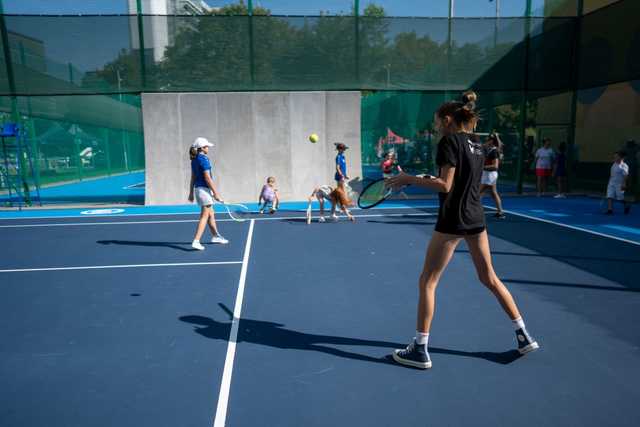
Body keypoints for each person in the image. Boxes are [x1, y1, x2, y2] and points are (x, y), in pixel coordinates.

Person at [386, 91, 539, 369]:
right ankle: (523, 334)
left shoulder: (448, 142)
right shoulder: (478, 145)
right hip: (476, 217)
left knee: (427, 282)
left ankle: (420, 349)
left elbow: (446, 186)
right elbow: (458, 181)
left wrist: (408, 178)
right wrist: (424, 179)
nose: (435, 127)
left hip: (453, 220)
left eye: (436, 122)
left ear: (447, 120)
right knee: (490, 278)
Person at [188, 137, 228, 250]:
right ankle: (196, 241)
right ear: (202, 148)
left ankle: (215, 236)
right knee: (204, 216)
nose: (208, 148)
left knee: (211, 214)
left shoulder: (194, 160)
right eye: (206, 146)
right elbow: (208, 178)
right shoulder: (204, 159)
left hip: (198, 190)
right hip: (204, 190)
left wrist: (191, 193)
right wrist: (216, 193)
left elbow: (193, 177)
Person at [479, 133, 505, 219]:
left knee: (477, 193)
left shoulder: (494, 151)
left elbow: (495, 166)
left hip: (490, 175)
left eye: (488, 140)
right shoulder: (489, 149)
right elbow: (482, 146)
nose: (486, 141)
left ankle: (474, 212)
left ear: (492, 141)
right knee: (493, 193)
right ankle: (500, 212)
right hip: (487, 174)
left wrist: (482, 167)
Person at [605, 150, 631, 215]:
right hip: (611, 183)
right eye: (614, 156)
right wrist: (609, 182)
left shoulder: (624, 166)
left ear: (621, 157)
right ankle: (610, 210)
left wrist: (623, 184)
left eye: (616, 156)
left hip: (619, 184)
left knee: (620, 198)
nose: (614, 157)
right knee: (609, 196)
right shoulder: (614, 164)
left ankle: (626, 205)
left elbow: (625, 175)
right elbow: (612, 174)